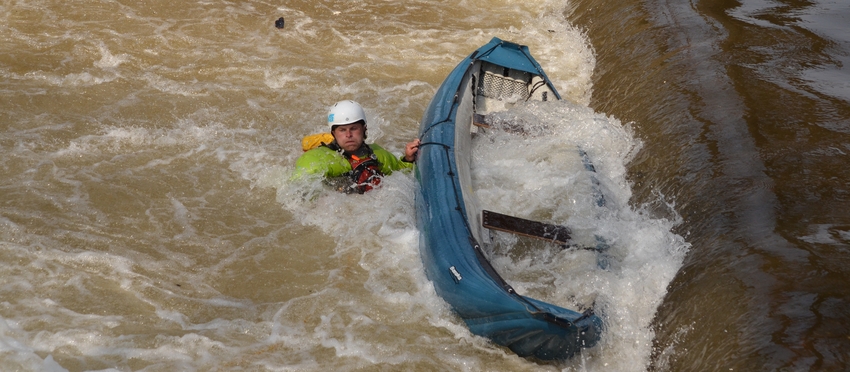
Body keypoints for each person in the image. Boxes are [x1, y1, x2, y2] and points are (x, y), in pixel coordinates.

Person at [293, 100, 420, 194]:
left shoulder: (378, 154)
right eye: (342, 130)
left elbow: (400, 172)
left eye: (354, 128)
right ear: (333, 134)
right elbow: (298, 189)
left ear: (364, 129)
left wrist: (408, 159)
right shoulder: (317, 160)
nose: (349, 135)